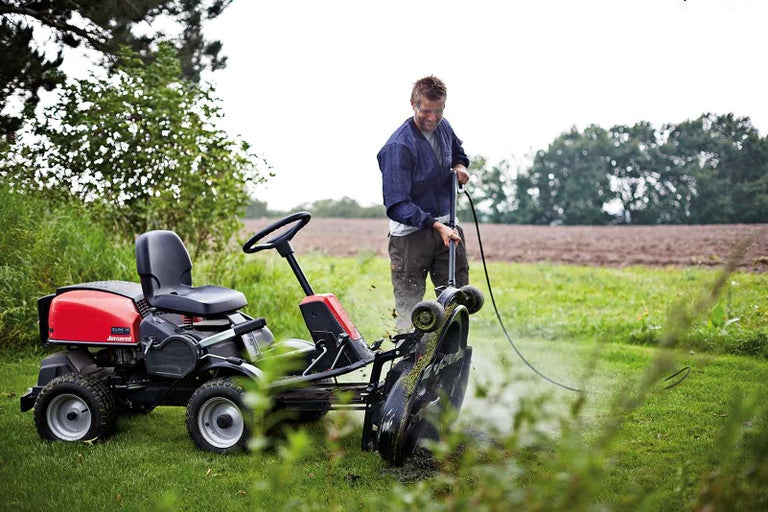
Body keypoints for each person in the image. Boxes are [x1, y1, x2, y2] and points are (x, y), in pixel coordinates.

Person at [377, 75, 471, 333]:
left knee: (456, 301)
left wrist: (461, 167)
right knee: (411, 313)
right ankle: (410, 368)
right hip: (410, 236)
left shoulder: (444, 127)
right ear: (413, 104)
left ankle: (449, 366)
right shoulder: (398, 146)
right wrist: (434, 226)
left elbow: (459, 153)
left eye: (438, 111)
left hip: (447, 228)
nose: (432, 118)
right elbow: (397, 204)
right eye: (426, 111)